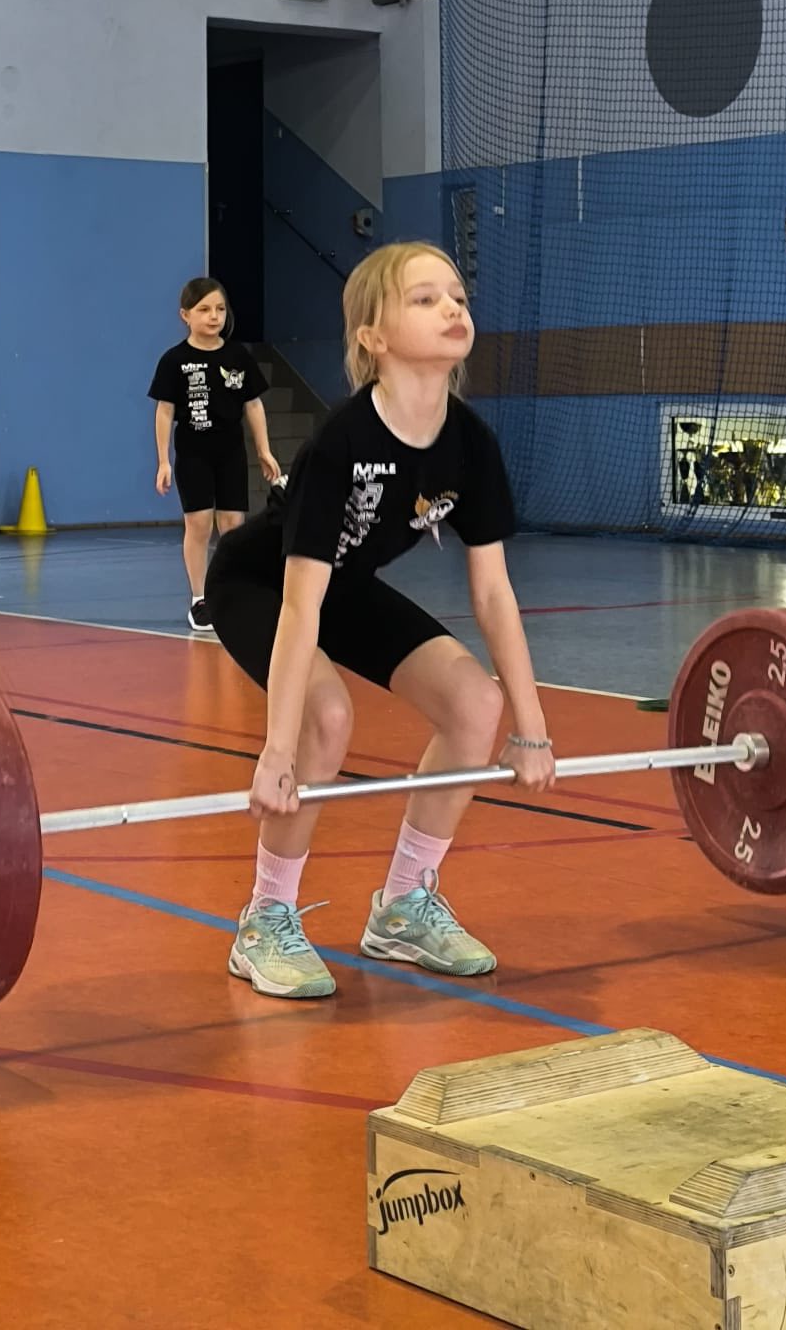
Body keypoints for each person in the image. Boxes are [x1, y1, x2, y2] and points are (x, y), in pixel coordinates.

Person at [204, 241, 555, 999]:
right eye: (424, 299)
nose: (451, 307)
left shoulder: (471, 444)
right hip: (262, 582)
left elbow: (493, 594)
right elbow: (300, 604)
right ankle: (265, 917)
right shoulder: (343, 442)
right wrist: (277, 752)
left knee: (476, 703)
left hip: (344, 583)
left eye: (457, 296)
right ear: (374, 337)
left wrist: (531, 729)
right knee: (325, 717)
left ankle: (403, 906)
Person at [149, 277, 280, 634]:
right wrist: (164, 460)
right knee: (199, 524)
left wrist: (264, 449)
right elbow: (164, 411)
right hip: (193, 454)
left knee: (233, 525)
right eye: (204, 309)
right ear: (185, 315)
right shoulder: (175, 360)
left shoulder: (238, 357)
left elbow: (253, 405)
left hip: (231, 452)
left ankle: (233, 592)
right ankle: (200, 598)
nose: (214, 316)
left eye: (220, 309)